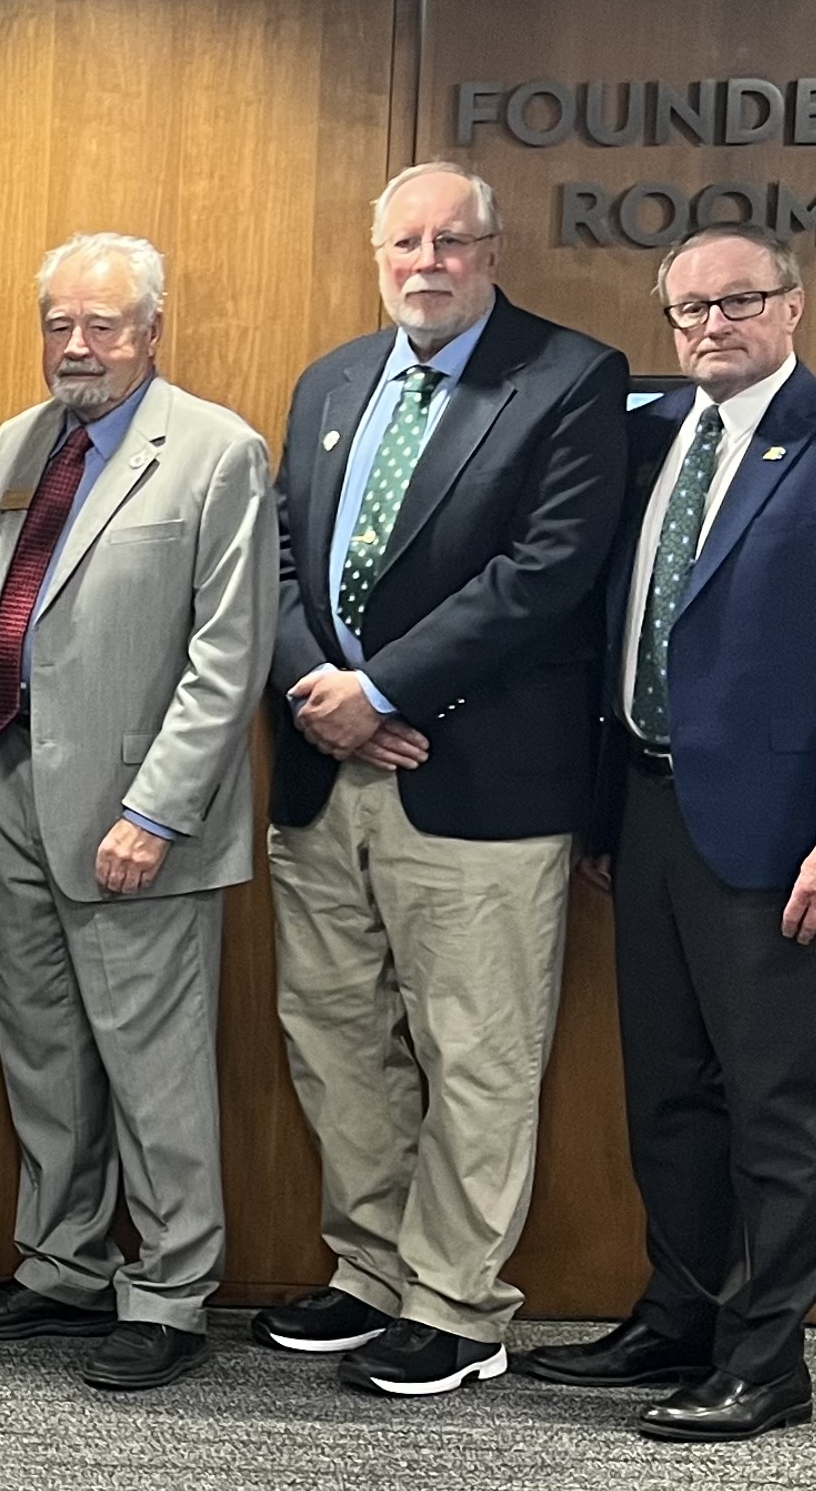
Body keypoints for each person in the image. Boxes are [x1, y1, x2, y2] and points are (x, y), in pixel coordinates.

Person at [529, 223, 816, 1443]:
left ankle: (766, 1360)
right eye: (688, 309)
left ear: (791, 306)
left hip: (777, 830)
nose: (711, 326)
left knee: (770, 1098)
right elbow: (615, 630)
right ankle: (679, 1310)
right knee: (664, 1090)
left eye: (737, 302)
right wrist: (602, 809)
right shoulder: (646, 435)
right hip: (646, 809)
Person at [257, 164, 628, 1398]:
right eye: (402, 242)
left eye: (448, 241)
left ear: (490, 249)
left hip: (475, 781)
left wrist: (385, 691)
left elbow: (545, 572)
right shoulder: (328, 379)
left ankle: (457, 1303)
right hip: (323, 773)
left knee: (473, 1047)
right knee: (336, 1038)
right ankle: (368, 1272)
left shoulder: (567, 376)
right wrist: (325, 695)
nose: (424, 261)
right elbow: (277, 563)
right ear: (377, 254)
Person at [0, 233, 273, 1393]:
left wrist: (157, 809)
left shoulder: (215, 450)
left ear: (150, 329)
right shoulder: (20, 441)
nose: (75, 346)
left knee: (153, 1063)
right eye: (57, 324)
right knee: (40, 1052)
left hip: (135, 812)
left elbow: (228, 653)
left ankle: (171, 1287)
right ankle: (60, 1260)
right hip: (10, 779)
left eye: (101, 324)